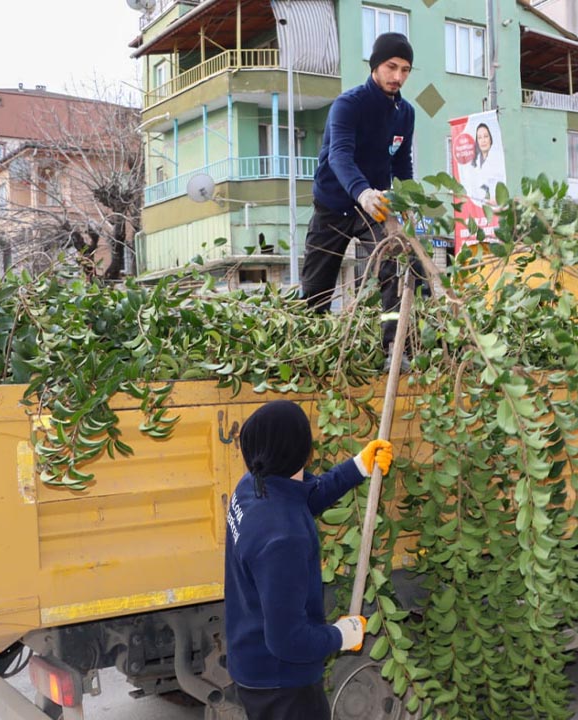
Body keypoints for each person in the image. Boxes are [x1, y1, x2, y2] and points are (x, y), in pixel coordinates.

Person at [224, 400, 394, 720]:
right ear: (304, 451)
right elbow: (287, 640)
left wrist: (358, 466)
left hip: (252, 660)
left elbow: (303, 497)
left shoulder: (252, 487)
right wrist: (341, 635)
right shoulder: (284, 539)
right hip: (282, 683)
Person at [302, 32, 417, 350]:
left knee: (394, 263)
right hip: (333, 205)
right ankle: (313, 346)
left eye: (405, 70)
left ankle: (395, 346)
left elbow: (402, 163)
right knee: (315, 288)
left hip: (375, 207)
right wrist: (362, 192)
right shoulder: (348, 105)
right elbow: (339, 155)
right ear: (375, 65)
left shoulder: (405, 113)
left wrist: (407, 200)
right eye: (391, 67)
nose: (398, 77)